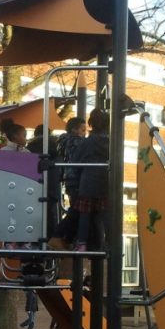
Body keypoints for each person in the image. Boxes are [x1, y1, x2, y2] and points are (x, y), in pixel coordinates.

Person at [71, 108, 110, 252]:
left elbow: (76, 161)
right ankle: (109, 242)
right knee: (105, 214)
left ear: (91, 124)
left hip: (88, 181)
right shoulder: (113, 141)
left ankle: (82, 243)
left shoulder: (88, 142)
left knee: (85, 214)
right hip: (106, 182)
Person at [57, 116, 88, 205]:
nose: (85, 133)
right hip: (77, 176)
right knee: (78, 206)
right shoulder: (77, 142)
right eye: (83, 130)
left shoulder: (63, 141)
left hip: (67, 176)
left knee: (74, 204)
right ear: (74, 130)